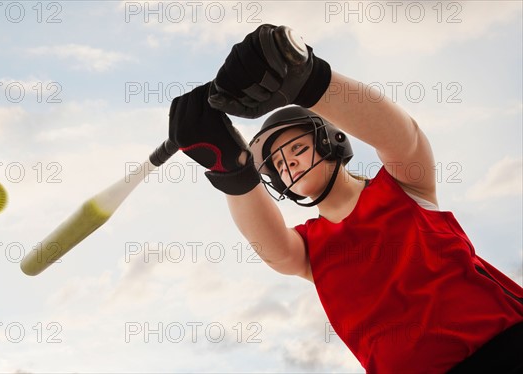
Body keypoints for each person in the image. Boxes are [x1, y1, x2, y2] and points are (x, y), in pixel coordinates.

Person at [168, 24, 523, 373]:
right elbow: (273, 250)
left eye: (297, 147)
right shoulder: (310, 248)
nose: (288, 161)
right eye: (278, 162)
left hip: (505, 348)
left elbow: (404, 136)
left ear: (330, 141)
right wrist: (232, 171)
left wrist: (306, 78)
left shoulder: (402, 186)